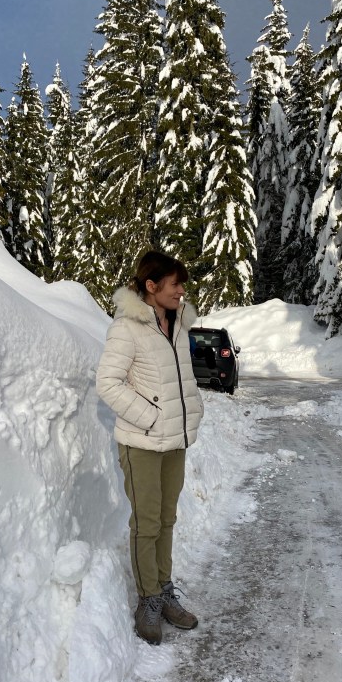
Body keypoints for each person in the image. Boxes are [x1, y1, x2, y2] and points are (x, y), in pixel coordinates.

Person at [96, 250, 204, 645]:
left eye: (182, 285)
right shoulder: (127, 328)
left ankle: (163, 587)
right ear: (151, 286)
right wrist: (151, 416)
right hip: (142, 443)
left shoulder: (177, 325)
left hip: (175, 441)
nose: (182, 292)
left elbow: (182, 380)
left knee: (168, 519)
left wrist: (193, 411)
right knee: (147, 523)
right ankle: (148, 600)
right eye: (175, 285)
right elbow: (108, 383)